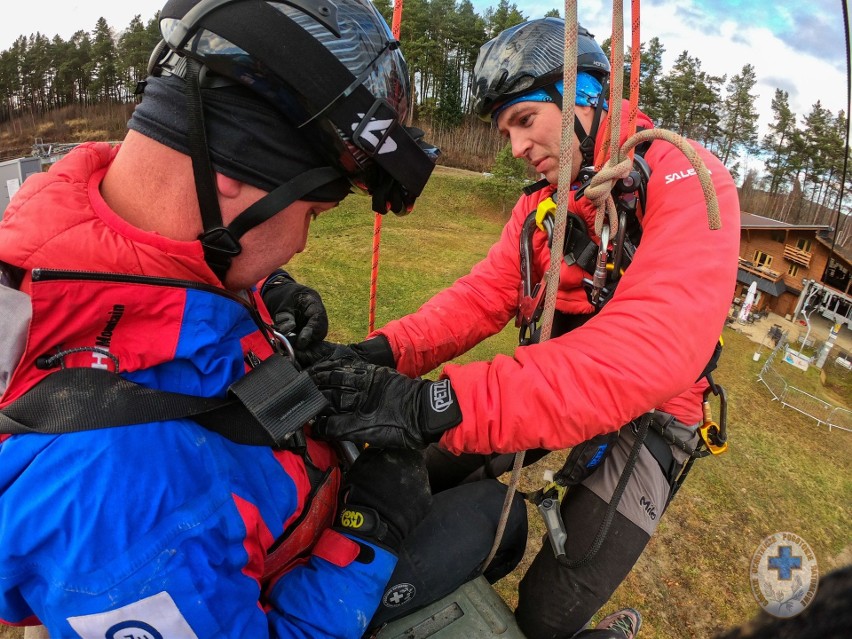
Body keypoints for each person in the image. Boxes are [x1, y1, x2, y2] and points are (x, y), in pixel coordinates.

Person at [0, 0, 465, 636]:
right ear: (234, 172)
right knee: (495, 525)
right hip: (309, 578)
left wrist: (267, 295)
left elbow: (152, 312)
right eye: (313, 214)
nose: (302, 242)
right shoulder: (117, 500)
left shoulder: (90, 243)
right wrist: (368, 536)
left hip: (297, 499)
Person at [303, 17, 741, 639]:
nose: (513, 147)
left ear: (584, 96)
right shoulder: (542, 206)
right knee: (420, 464)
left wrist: (441, 401)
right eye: (503, 129)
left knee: (552, 604)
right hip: (551, 383)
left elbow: (651, 349)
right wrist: (383, 353)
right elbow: (484, 296)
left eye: (524, 120)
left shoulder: (686, 177)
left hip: (655, 412)